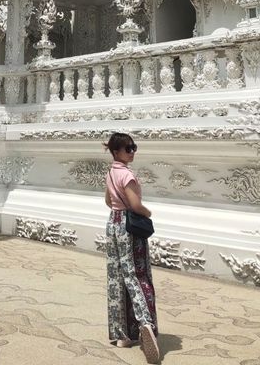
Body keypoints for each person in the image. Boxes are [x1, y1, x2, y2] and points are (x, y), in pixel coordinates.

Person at [104, 132, 159, 364]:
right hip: (129, 227)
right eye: (128, 149)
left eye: (134, 147)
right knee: (135, 274)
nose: (132, 152)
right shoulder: (127, 175)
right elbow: (135, 205)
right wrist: (148, 212)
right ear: (117, 152)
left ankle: (122, 336)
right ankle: (145, 322)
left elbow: (108, 201)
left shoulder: (110, 173)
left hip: (113, 223)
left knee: (116, 277)